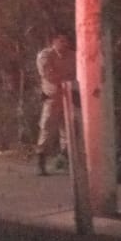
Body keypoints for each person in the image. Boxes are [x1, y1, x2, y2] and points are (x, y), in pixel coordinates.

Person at [34, 28, 76, 175]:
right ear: (54, 41)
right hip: (53, 98)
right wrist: (67, 79)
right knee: (47, 130)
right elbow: (49, 75)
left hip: (71, 97)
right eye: (61, 41)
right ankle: (41, 162)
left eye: (66, 41)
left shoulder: (73, 56)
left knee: (70, 131)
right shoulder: (45, 55)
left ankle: (66, 162)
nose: (64, 44)